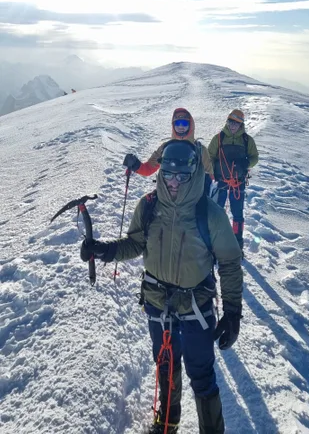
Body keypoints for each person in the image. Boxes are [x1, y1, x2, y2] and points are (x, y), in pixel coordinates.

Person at [81, 139, 243, 434]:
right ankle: (168, 423)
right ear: (161, 173)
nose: (174, 182)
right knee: (166, 365)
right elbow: (135, 243)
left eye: (182, 175)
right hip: (158, 304)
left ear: (194, 173)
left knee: (202, 374)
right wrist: (104, 250)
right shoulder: (149, 205)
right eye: (168, 174)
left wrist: (232, 311)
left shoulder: (209, 213)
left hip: (196, 306)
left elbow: (230, 263)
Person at [208, 109, 259, 253]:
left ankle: (237, 243)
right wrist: (212, 172)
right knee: (217, 212)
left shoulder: (247, 140)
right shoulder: (218, 138)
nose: (232, 125)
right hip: (221, 181)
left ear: (241, 124)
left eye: (236, 123)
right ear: (227, 121)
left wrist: (246, 164)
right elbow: (210, 156)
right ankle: (214, 242)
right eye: (231, 122)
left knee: (237, 213)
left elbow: (254, 157)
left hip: (238, 182)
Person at [123, 107, 215, 183]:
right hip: (168, 195)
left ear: (190, 125)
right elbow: (148, 169)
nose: (181, 127)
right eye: (177, 123)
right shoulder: (165, 148)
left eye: (184, 123)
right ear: (173, 125)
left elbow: (210, 177)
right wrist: (135, 164)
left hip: (192, 197)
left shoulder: (200, 150)